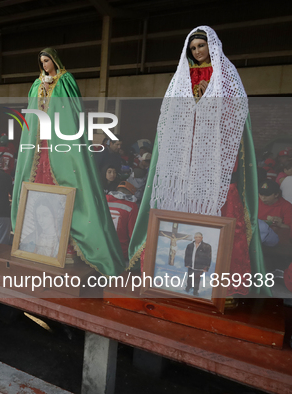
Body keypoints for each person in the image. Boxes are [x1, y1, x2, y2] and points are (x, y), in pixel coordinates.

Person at [128, 26, 268, 296]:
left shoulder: (226, 75)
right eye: (193, 48)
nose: (197, 51)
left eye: (201, 46)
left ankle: (217, 286)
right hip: (185, 152)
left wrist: (207, 102)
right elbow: (171, 117)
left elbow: (235, 114)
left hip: (212, 151)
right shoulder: (181, 77)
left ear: (212, 46)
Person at [11, 48, 124, 275]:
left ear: (54, 61)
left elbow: (71, 113)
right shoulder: (36, 84)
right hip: (38, 144)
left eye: (47, 61)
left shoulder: (66, 80)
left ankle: (70, 245)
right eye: (41, 62)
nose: (44, 65)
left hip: (59, 142)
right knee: (39, 186)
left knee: (69, 186)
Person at [106, 181, 139, 261]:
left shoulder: (104, 200)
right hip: (120, 251)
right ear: (131, 194)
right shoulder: (131, 206)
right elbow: (133, 233)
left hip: (101, 248)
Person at [184, 232, 212, 296]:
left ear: (202, 238)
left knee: (197, 279)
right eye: (196, 237)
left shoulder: (207, 246)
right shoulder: (190, 246)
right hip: (191, 266)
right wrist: (187, 263)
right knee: (190, 277)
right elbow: (187, 255)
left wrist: (206, 267)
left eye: (199, 237)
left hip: (200, 267)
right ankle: (188, 287)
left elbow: (208, 257)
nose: (198, 238)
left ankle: (195, 290)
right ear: (194, 238)